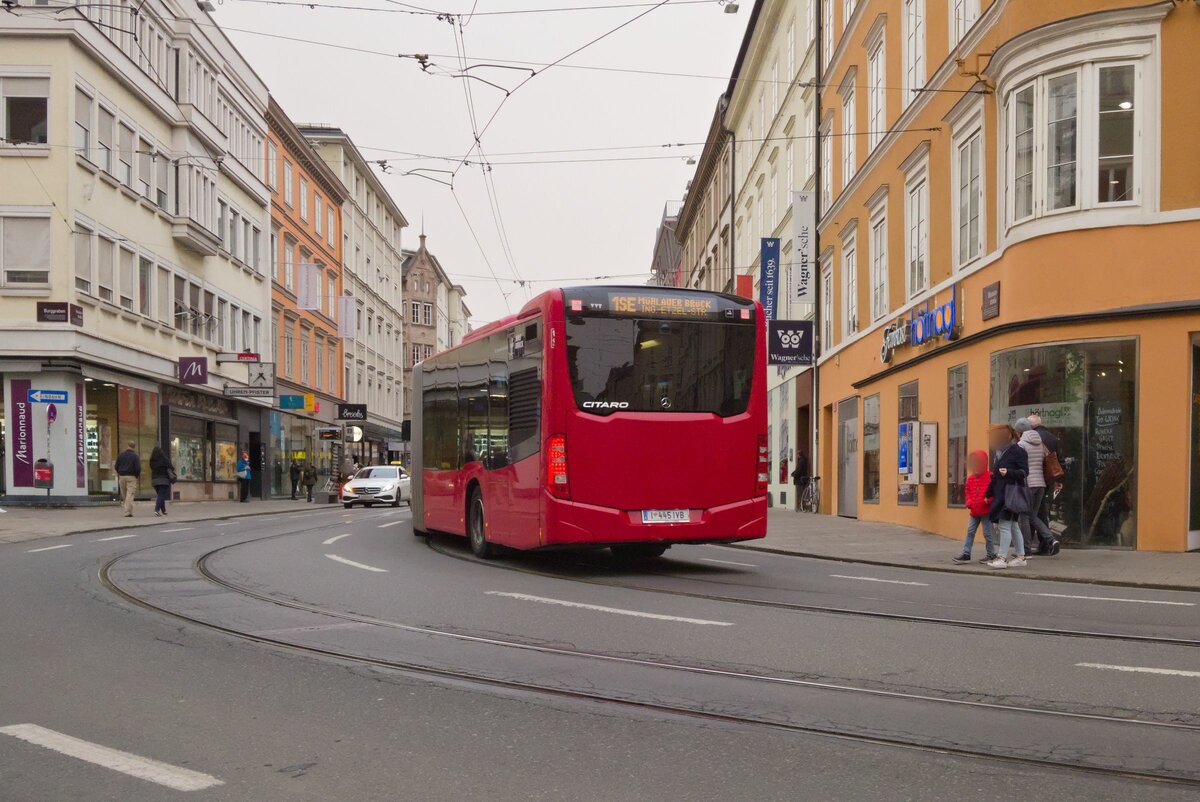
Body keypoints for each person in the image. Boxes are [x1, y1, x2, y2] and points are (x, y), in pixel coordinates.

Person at [1015, 418, 1061, 556]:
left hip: (1027, 484)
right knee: (1033, 516)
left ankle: (1025, 550)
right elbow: (1049, 459)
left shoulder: (1021, 444)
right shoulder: (1040, 443)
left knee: (1023, 517)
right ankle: (1051, 540)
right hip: (1041, 484)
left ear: (1019, 431)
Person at [985, 424, 1029, 569]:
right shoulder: (1001, 453)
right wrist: (989, 493)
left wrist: (1008, 472)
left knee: (1005, 525)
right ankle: (1021, 557)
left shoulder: (1017, 451)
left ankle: (1002, 557)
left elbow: (1024, 472)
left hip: (1010, 494)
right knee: (1014, 526)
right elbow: (995, 476)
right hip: (1002, 494)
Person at [954, 450, 996, 564]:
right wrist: (969, 501)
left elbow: (995, 491)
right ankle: (966, 553)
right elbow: (967, 491)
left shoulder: (990, 476)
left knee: (987, 533)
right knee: (970, 531)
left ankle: (991, 554)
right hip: (974, 510)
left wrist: (989, 500)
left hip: (985, 510)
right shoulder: (971, 478)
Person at [1028, 412, 1061, 532]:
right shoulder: (1052, 437)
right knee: (1040, 510)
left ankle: (1042, 541)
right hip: (1048, 479)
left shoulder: (1030, 438)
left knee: (1033, 512)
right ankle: (1045, 541)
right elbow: (1059, 459)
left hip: (1033, 479)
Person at [115, 441, 142, 517]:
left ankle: (128, 510)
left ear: (127, 446)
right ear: (134, 447)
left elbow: (116, 466)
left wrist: (120, 472)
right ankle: (127, 511)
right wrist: (136, 475)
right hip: (131, 476)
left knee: (124, 494)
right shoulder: (135, 456)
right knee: (130, 494)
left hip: (122, 476)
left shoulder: (121, 455)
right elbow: (138, 468)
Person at [149, 446, 175, 517]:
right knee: (161, 495)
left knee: (160, 495)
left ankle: (163, 510)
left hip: (154, 480)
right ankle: (156, 509)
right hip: (163, 479)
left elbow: (151, 468)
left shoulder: (152, 461)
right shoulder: (164, 459)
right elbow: (171, 467)